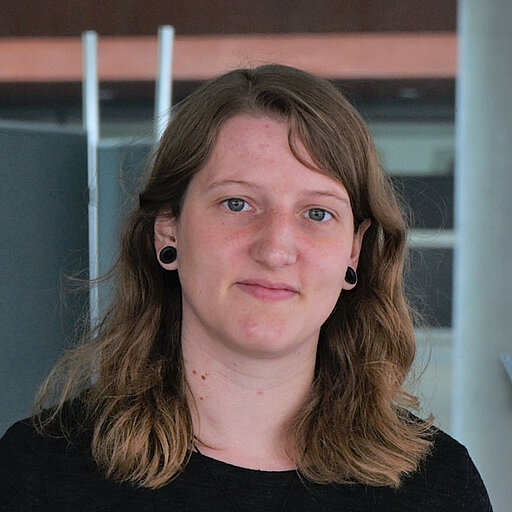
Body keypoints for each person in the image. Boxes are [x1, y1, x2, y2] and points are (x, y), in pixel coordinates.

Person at [0, 64, 493, 511]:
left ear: (354, 250)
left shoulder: (439, 486)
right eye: (237, 204)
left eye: (317, 213)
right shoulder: (40, 471)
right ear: (168, 228)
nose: (275, 249)